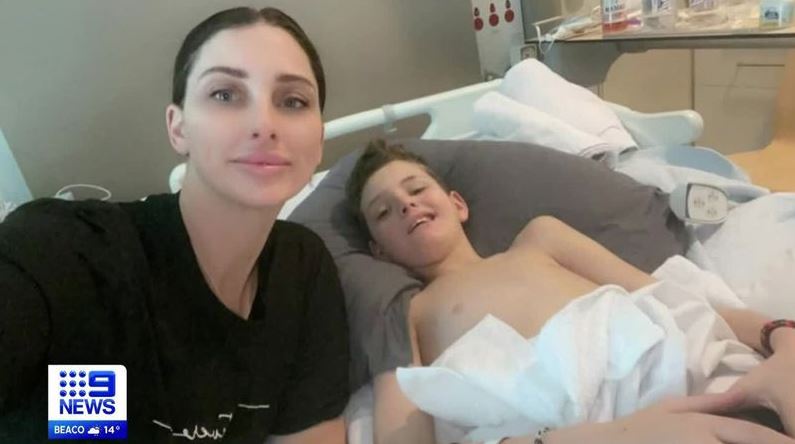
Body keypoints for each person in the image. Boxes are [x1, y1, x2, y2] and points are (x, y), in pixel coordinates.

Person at [0, 7, 348, 443]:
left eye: (293, 101)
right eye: (224, 94)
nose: (264, 124)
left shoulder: (304, 270)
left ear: (318, 140)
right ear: (177, 127)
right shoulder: (74, 255)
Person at [345, 139, 795, 444]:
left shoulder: (540, 239)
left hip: (695, 382)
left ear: (458, 204)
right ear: (378, 253)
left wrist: (782, 337)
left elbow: (669, 298)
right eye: (384, 211)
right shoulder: (405, 313)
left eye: (417, 188)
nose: (406, 204)